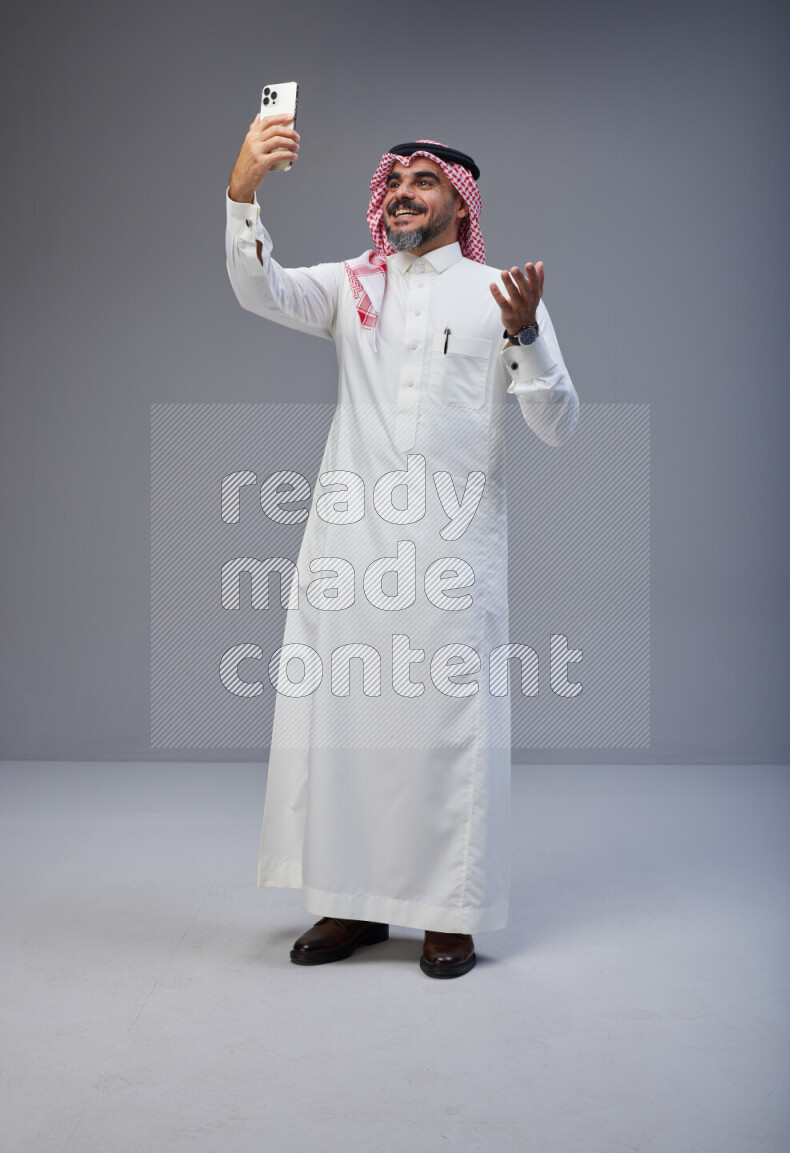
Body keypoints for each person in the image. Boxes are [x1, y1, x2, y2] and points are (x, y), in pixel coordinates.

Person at [225, 112, 579, 979]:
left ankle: (446, 915)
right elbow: (260, 290)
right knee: (343, 723)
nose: (403, 193)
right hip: (351, 547)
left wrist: (528, 336)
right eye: (395, 180)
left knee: (444, 729)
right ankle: (348, 904)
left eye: (424, 180)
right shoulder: (354, 284)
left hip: (453, 555)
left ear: (460, 202)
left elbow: (558, 422)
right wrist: (243, 191)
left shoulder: (500, 292)